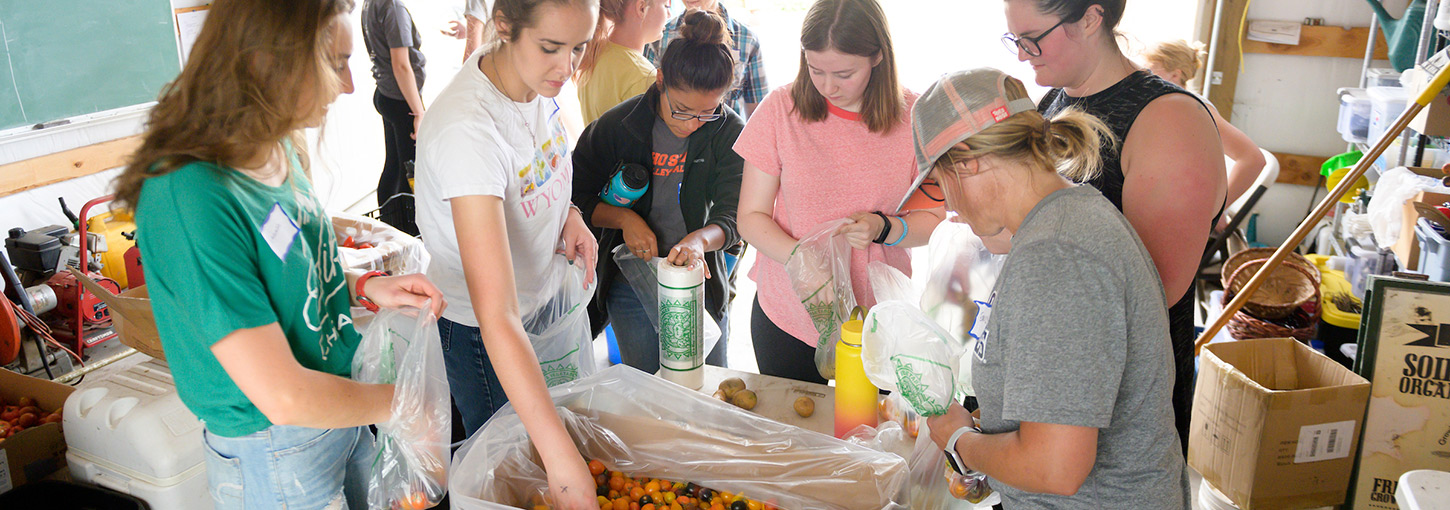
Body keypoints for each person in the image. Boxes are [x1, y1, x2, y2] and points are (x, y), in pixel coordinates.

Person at [116, 1, 448, 507]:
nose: (349, 85)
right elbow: (283, 394)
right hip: (275, 446)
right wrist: (403, 406)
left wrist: (360, 286)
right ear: (267, 61)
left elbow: (289, 251)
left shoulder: (275, 140)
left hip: (339, 409)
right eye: (335, 63)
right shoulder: (189, 193)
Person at [915, 68, 1188, 509]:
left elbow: (1055, 468)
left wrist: (960, 440)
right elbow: (1063, 396)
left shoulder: (1057, 257)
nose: (948, 206)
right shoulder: (1065, 222)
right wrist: (997, 457)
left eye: (939, 183)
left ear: (966, 162)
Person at [1005, 0, 1227, 451]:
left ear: (1090, 18)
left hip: (1123, 403)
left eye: (1032, 39)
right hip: (1055, 375)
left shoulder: (1167, 119)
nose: (1023, 54)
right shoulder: (1056, 101)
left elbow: (1154, 290)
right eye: (1015, 40)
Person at [414, 0, 601, 507]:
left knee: (541, 451)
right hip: (484, 334)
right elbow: (495, 314)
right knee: (514, 477)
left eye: (579, 48)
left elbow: (537, 166)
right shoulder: (467, 130)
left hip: (532, 310)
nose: (567, 67)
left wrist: (570, 214)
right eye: (551, 48)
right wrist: (562, 463)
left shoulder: (533, 83)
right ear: (504, 26)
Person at [734, 0, 944, 384]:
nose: (828, 86)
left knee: (868, 434)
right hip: (788, 313)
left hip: (877, 320)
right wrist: (802, 260)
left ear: (878, 56)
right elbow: (750, 217)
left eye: (844, 73)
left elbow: (933, 222)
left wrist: (885, 228)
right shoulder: (781, 110)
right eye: (816, 70)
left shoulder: (916, 119)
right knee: (792, 431)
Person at [572, 9, 743, 374]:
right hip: (630, 281)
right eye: (681, 111)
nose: (693, 124)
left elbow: (735, 214)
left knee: (710, 386)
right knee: (646, 384)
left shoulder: (728, 131)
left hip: (698, 280)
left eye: (707, 112)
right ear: (661, 80)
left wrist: (700, 240)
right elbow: (576, 199)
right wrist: (624, 218)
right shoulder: (618, 126)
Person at [1143, 39, 1266, 215]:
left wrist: (1215, 212)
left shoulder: (1195, 108)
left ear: (1175, 75)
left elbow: (1252, 159)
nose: (1144, 78)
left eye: (1149, 71)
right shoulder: (1168, 106)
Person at [362, 0, 428, 236]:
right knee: (412, 171)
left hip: (386, 94)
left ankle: (391, 227)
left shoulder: (372, 4)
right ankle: (409, 232)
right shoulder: (393, 8)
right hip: (401, 100)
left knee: (395, 165)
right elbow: (401, 65)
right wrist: (419, 112)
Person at [643, 0, 768, 118]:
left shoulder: (747, 40)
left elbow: (758, 111)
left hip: (726, 136)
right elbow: (648, 99)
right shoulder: (659, 35)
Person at [576, 0, 671, 124]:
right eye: (665, 6)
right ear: (642, 8)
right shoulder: (643, 77)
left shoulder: (593, 56)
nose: (669, 14)